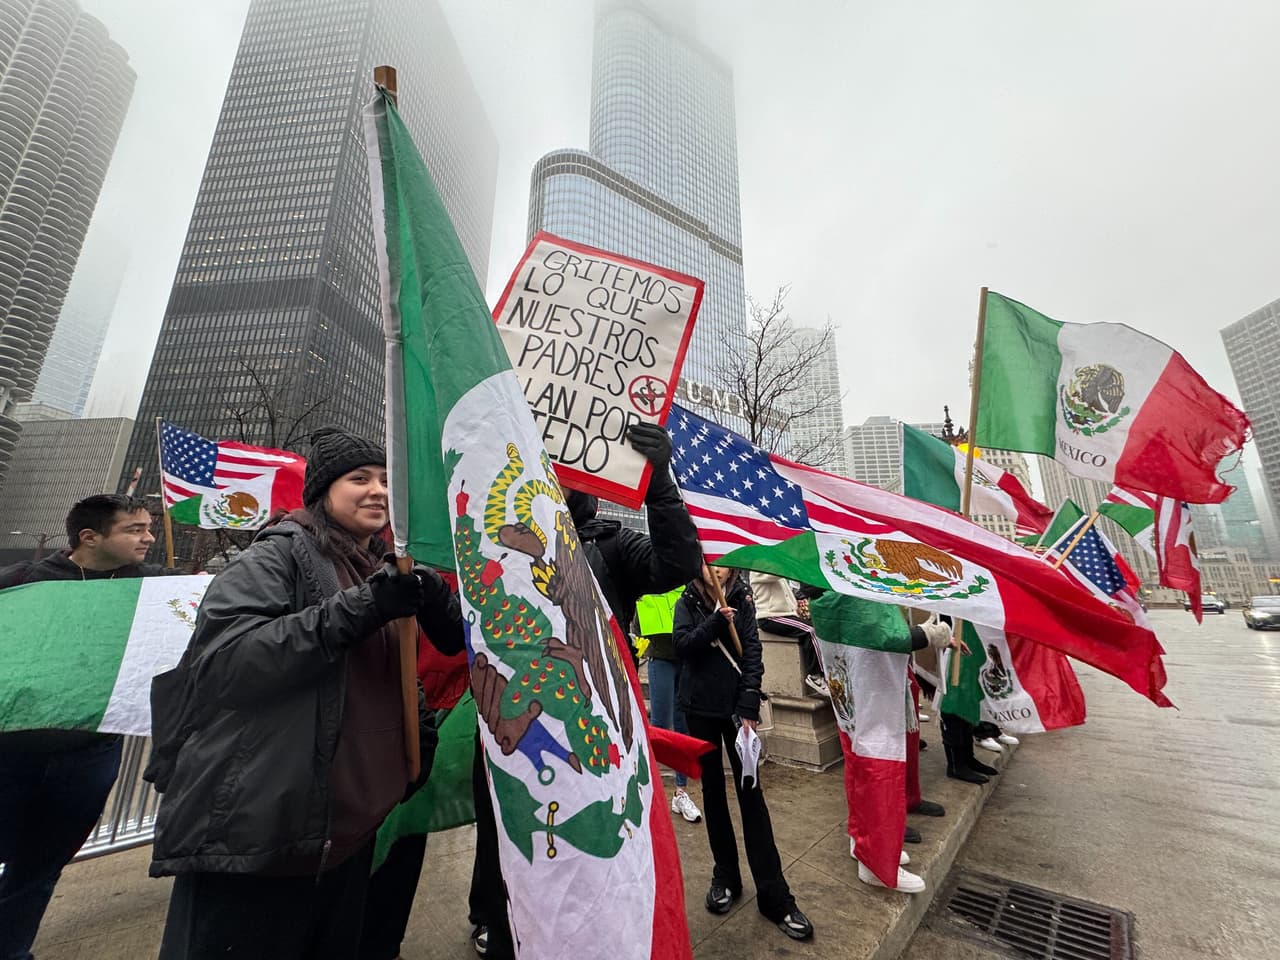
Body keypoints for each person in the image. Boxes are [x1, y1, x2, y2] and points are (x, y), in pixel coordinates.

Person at [147, 427, 464, 960]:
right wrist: (364, 608)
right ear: (322, 491)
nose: (378, 491)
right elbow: (228, 664)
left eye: (388, 480)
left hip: (346, 831)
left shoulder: (385, 566)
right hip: (266, 833)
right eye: (359, 478)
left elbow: (415, 664)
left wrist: (432, 601)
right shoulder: (276, 556)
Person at [468, 421, 702, 958]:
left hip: (590, 733)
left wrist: (660, 481)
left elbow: (679, 564)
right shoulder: (501, 539)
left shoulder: (614, 545)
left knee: (590, 853)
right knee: (506, 834)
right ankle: (493, 918)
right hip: (515, 726)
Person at [0, 494, 181, 960]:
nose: (148, 538)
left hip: (90, 753)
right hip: (12, 747)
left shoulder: (155, 587)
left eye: (148, 528)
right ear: (89, 537)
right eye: (134, 530)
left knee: (41, 866)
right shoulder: (24, 582)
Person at [673, 561, 813, 942]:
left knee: (752, 800)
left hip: (737, 713)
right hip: (699, 709)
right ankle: (726, 876)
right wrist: (716, 623)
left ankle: (774, 895)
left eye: (720, 563)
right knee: (714, 797)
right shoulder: (686, 600)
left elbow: (752, 653)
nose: (714, 569)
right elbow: (682, 646)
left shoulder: (744, 600)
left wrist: (749, 705)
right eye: (706, 561)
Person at [635, 585, 702, 823]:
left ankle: (681, 792)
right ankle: (649, 791)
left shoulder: (688, 589)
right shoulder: (647, 587)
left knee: (682, 726)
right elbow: (637, 628)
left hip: (684, 661)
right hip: (660, 659)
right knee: (659, 725)